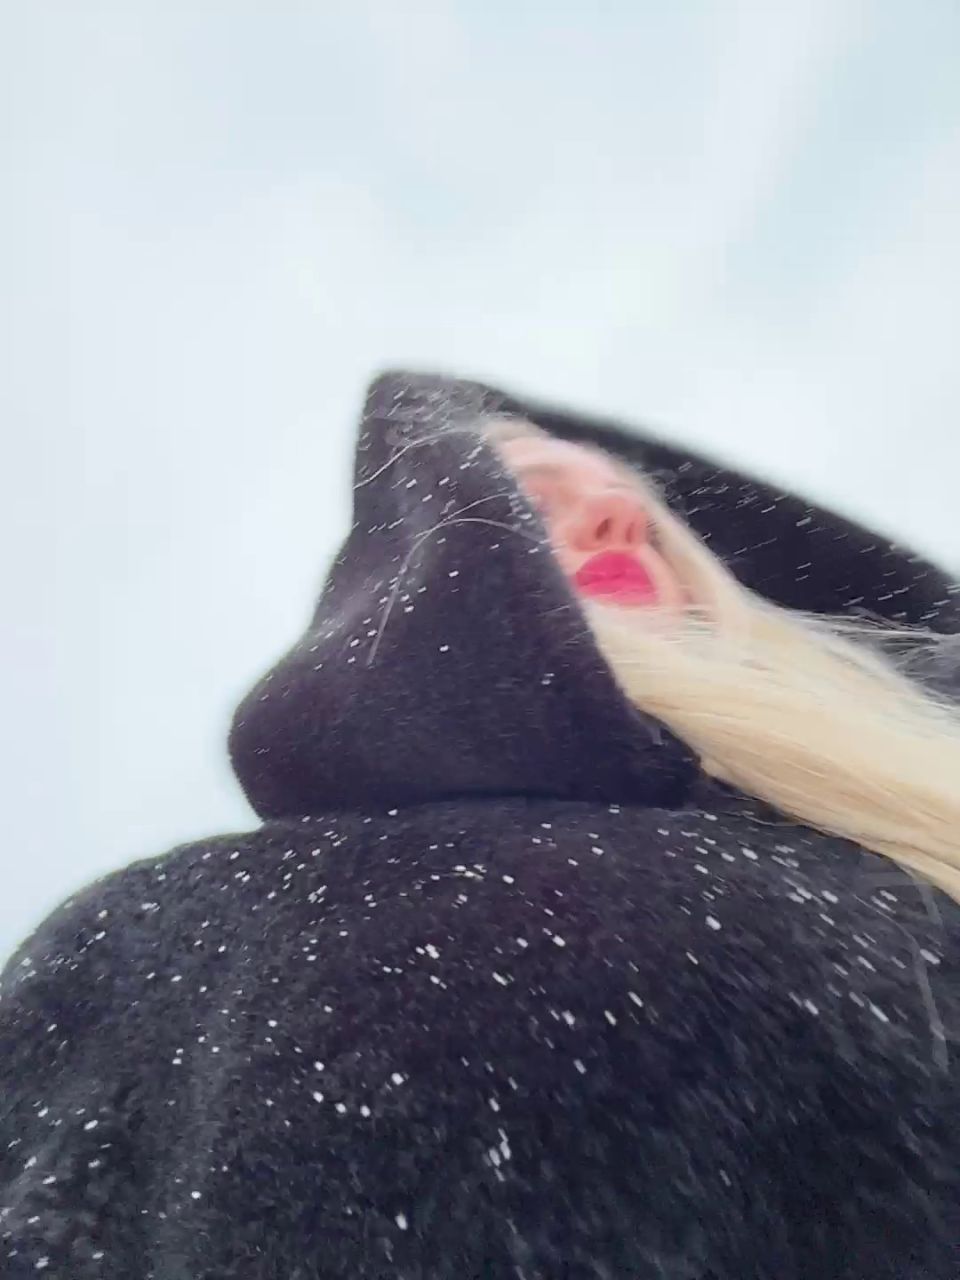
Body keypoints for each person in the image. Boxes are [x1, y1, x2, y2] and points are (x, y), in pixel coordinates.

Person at [1, 371, 957, 1279]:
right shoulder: (193, 927)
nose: (621, 518)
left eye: (643, 516)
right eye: (537, 497)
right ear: (431, 552)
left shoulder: (895, 815)